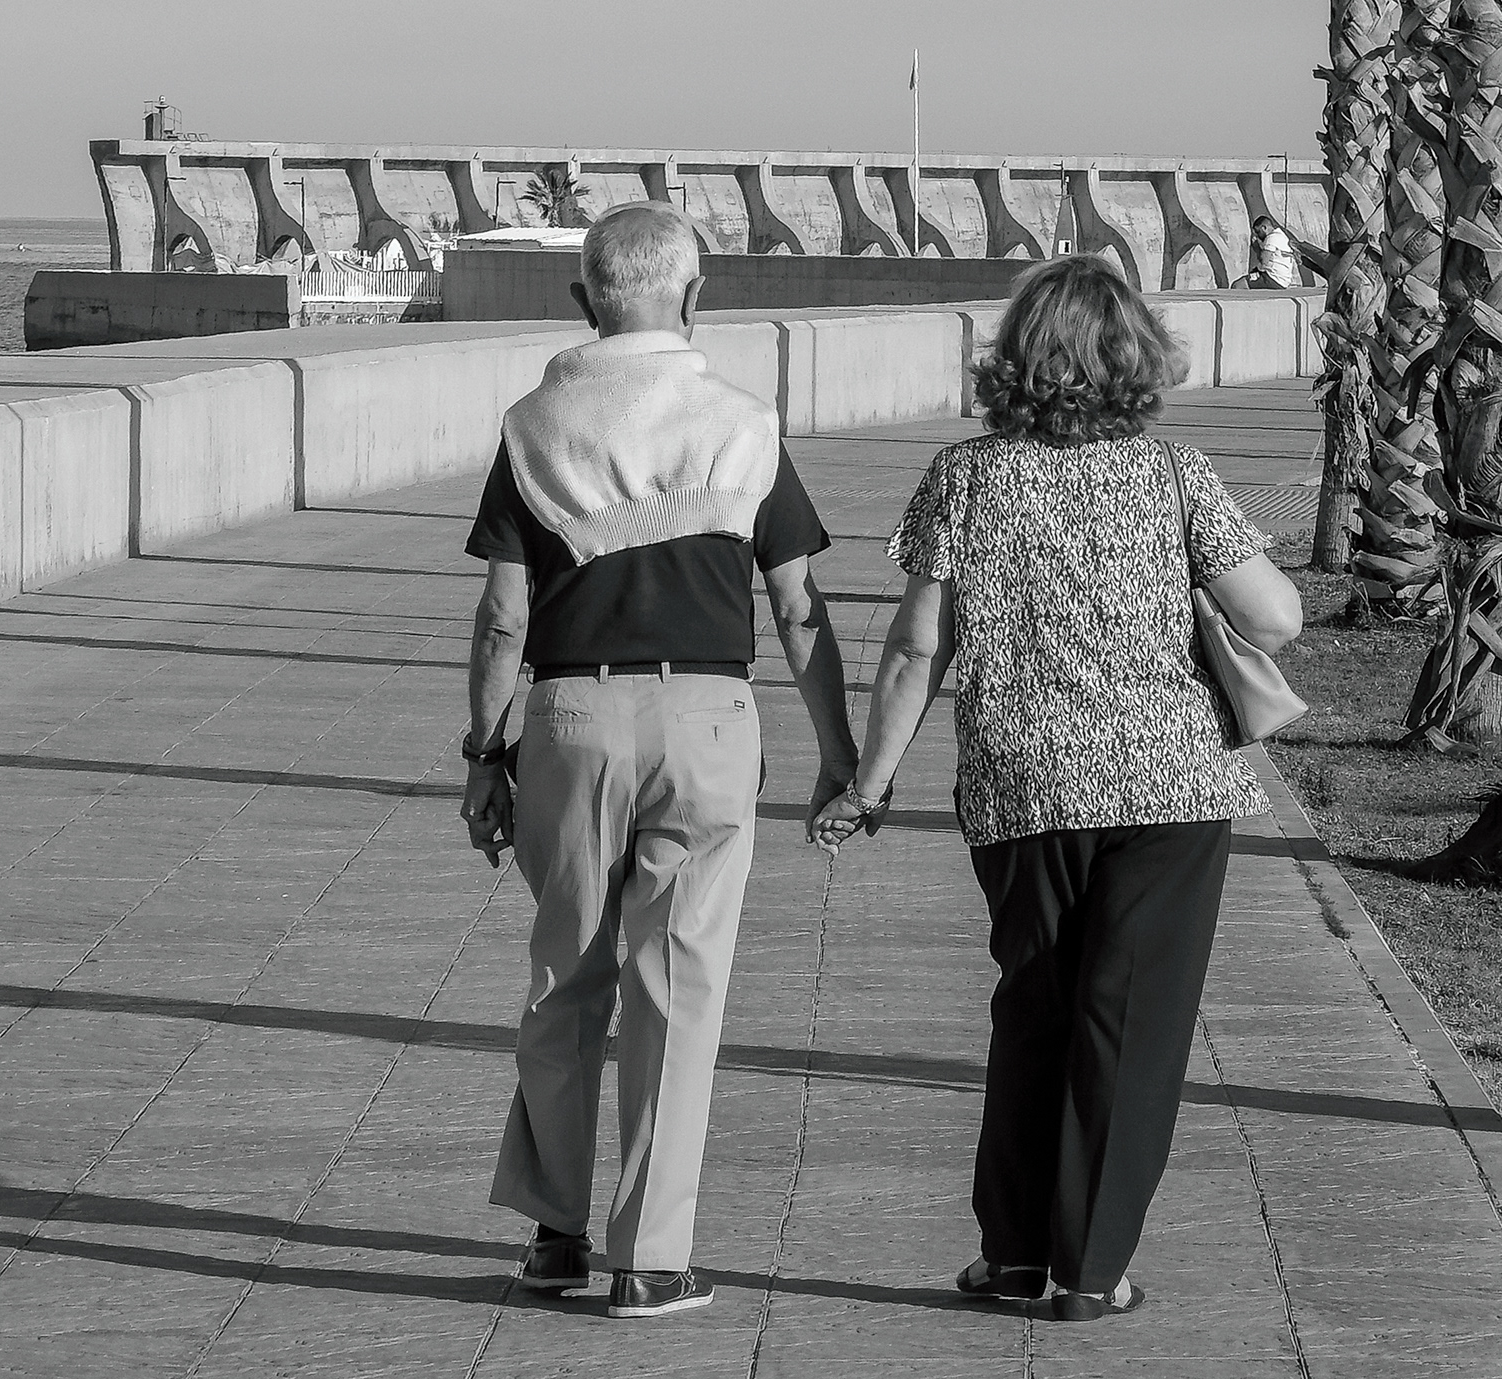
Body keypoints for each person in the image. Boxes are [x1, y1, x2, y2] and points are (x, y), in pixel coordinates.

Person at [815, 253, 1302, 1322]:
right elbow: (1274, 620)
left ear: (1016, 357)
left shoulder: (966, 476)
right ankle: (1088, 1270)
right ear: (1137, 355)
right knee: (1131, 1025)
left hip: (1022, 784)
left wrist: (869, 783)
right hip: (1169, 786)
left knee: (1032, 1007)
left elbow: (916, 648)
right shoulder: (1174, 473)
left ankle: (1013, 1254)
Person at [459, 203, 857, 1320]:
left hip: (570, 718)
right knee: (676, 989)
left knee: (566, 976)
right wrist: (840, 754)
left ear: (583, 300)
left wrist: (484, 753)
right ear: (694, 296)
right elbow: (798, 608)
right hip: (708, 720)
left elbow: (503, 617)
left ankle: (554, 1236)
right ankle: (652, 1260)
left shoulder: (534, 427)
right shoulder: (743, 424)